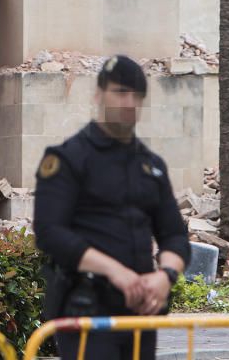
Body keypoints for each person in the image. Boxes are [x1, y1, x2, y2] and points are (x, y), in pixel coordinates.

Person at [33, 55, 190, 360]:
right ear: (98, 95)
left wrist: (165, 277)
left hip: (139, 314)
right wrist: (116, 272)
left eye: (136, 95)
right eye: (120, 92)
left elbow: (175, 236)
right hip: (87, 313)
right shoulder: (67, 159)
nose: (129, 102)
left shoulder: (151, 166)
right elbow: (50, 233)